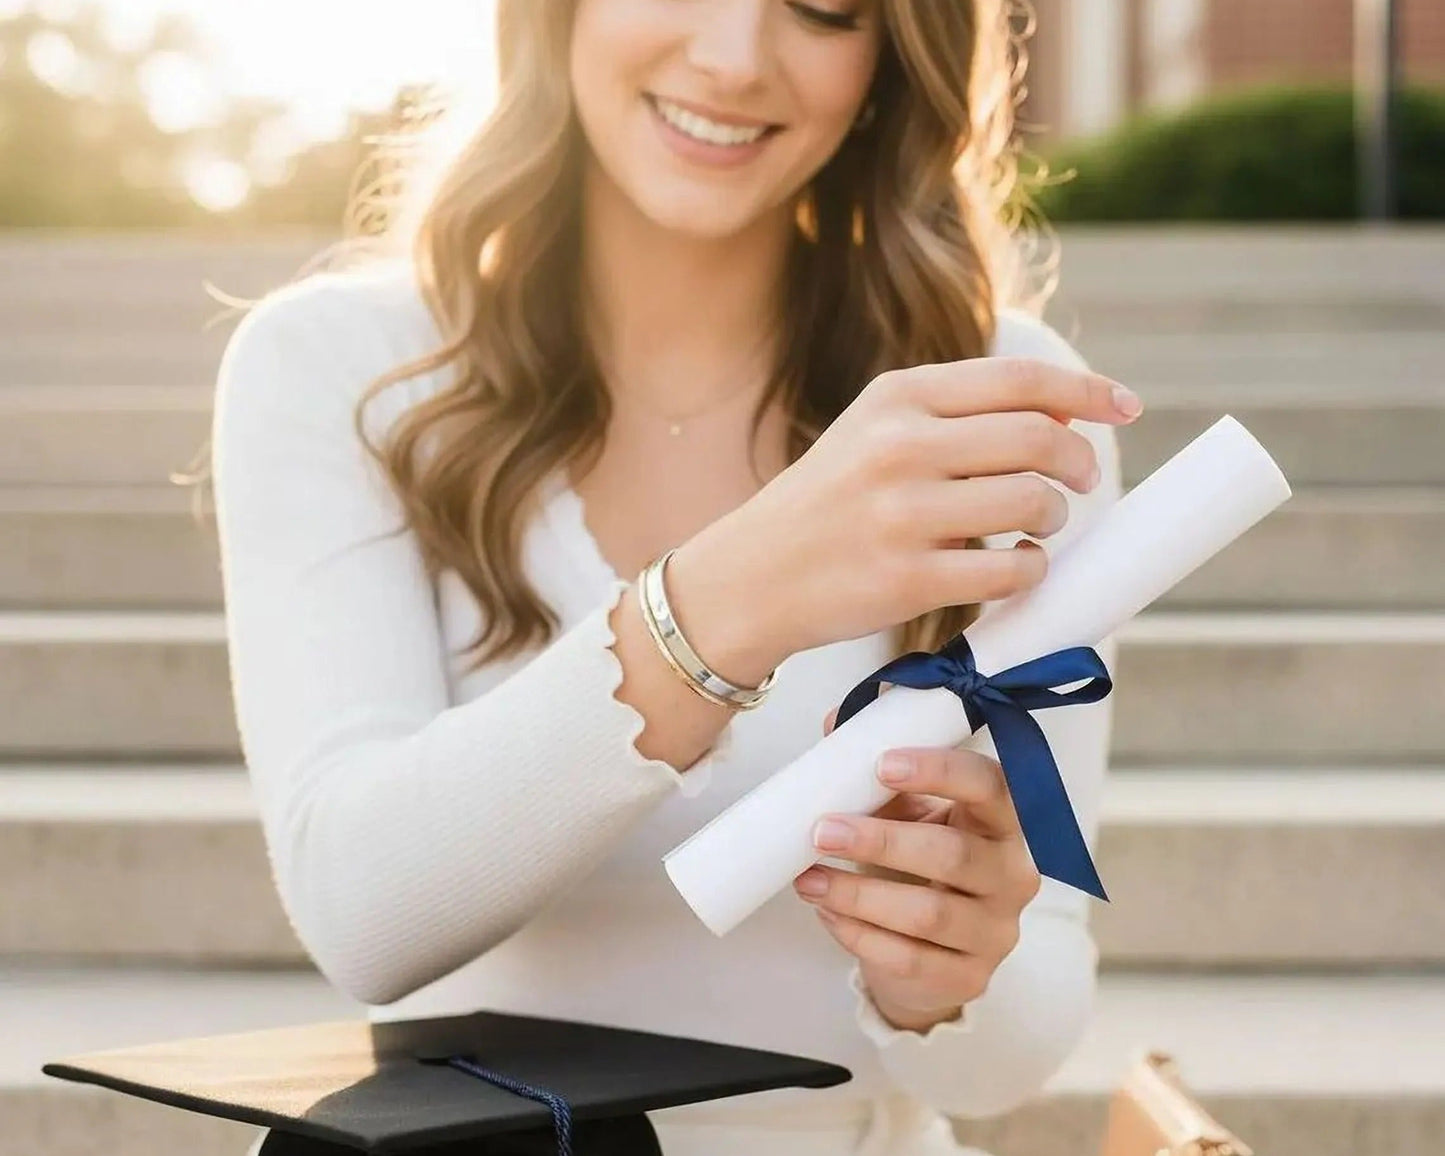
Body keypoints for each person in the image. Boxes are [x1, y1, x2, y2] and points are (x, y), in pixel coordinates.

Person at [209, 1, 1141, 1153]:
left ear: (891, 52)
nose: (731, 57)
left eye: (820, 6)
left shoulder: (994, 399)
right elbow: (361, 909)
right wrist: (727, 600)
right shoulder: (341, 370)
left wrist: (948, 974)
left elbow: (1014, 1053)